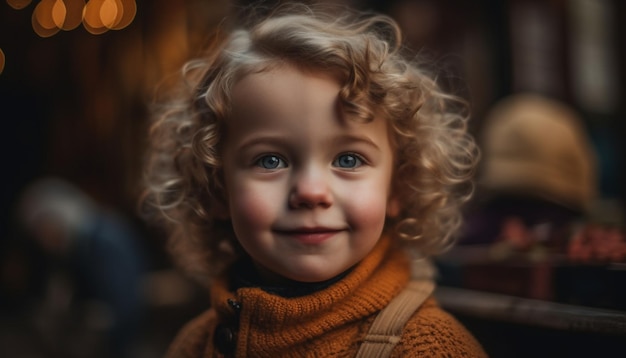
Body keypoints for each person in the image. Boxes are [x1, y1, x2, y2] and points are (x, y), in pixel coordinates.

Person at [142, 4, 486, 357]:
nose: (310, 192)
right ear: (215, 189)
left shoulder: (429, 349)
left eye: (348, 159)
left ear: (399, 186)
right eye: (270, 160)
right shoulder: (193, 346)